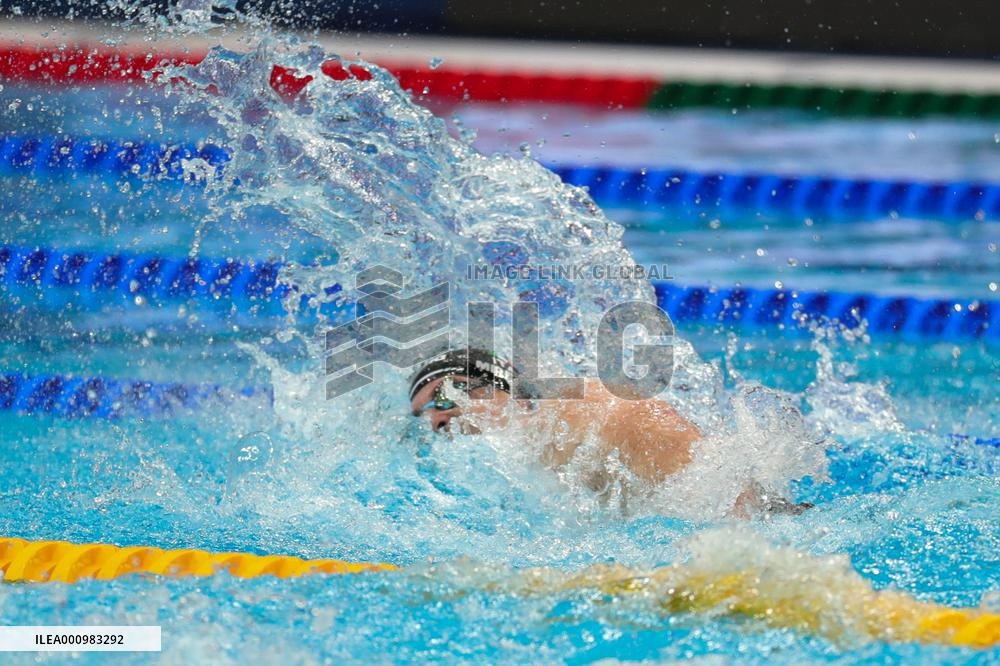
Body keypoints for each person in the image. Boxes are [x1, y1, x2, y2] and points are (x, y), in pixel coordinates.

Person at [408, 348, 811, 517]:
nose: (436, 422)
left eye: (443, 399)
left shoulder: (587, 409)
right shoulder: (534, 443)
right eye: (422, 414)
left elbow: (713, 479)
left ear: (491, 386)